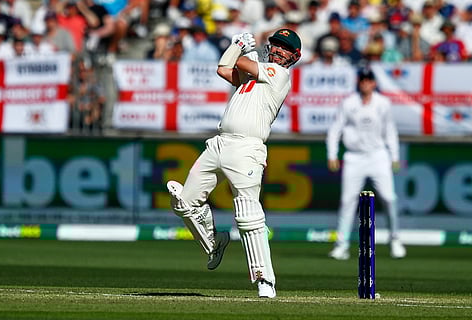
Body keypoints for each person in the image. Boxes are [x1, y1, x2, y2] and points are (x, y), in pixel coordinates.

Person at [167, 28, 302, 298]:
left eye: (283, 48)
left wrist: (241, 48)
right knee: (184, 201)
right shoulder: (255, 73)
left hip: (247, 148)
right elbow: (223, 69)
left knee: (248, 213)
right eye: (274, 44)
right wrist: (235, 46)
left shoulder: (280, 74)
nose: (276, 49)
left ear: (293, 57)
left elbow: (238, 62)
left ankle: (265, 279)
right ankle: (214, 243)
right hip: (219, 143)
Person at [326, 67, 406, 261]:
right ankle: (341, 245)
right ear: (358, 82)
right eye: (362, 80)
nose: (365, 83)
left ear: (374, 83)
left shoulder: (383, 103)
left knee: (389, 198)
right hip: (354, 157)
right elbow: (335, 130)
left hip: (378, 156)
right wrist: (332, 155)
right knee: (347, 201)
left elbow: (390, 131)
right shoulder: (348, 103)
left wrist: (394, 156)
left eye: (368, 80)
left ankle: (395, 239)